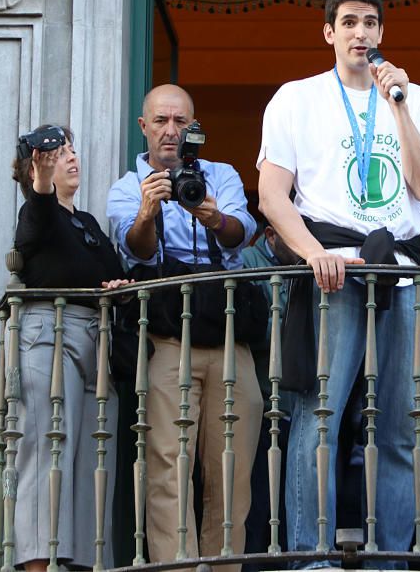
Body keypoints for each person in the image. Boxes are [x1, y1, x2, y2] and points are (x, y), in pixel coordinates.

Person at [257, 0, 420, 562]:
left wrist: (399, 105)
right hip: (331, 271)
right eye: (349, 22)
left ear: (382, 33)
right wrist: (313, 252)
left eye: (370, 22)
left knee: (397, 430)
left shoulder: (419, 100)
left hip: (403, 273)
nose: (360, 32)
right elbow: (271, 194)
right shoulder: (296, 97)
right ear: (329, 33)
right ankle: (309, 556)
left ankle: (391, 557)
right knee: (319, 417)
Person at [106, 84, 261, 563]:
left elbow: (242, 233)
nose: (171, 131)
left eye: (181, 123)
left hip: (230, 335)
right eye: (161, 121)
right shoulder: (127, 186)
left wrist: (212, 217)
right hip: (169, 336)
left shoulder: (222, 176)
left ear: (194, 128)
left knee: (232, 473)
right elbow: (138, 250)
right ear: (144, 127)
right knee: (168, 467)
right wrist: (149, 210)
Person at [11, 125, 129, 571]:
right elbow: (37, 217)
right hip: (50, 334)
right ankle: (38, 565)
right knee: (47, 450)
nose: (72, 158)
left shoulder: (89, 222)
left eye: (73, 151)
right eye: (60, 155)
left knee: (92, 463)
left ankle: (85, 563)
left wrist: (117, 285)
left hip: (96, 341)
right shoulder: (36, 212)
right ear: (37, 168)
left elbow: (114, 271)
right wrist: (41, 182)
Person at [241, 222, 298, 562]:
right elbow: (251, 329)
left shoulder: (306, 261)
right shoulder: (249, 260)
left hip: (300, 405)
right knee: (258, 506)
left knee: (295, 502)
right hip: (263, 402)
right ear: (272, 235)